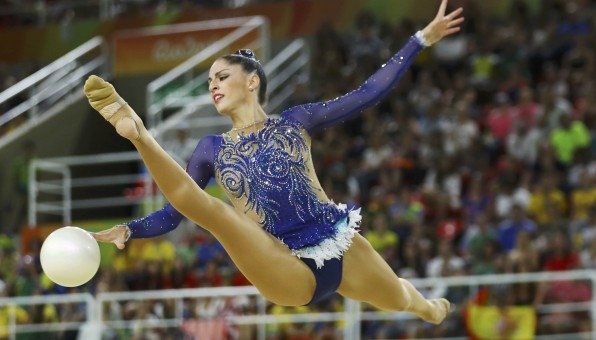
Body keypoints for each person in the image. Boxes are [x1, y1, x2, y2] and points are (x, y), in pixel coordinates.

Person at [89, 0, 463, 324]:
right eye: (208, 82)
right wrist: (131, 229)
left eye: (221, 77)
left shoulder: (297, 121)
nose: (212, 86)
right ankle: (138, 132)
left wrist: (421, 39)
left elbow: (368, 93)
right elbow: (176, 211)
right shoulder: (212, 148)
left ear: (252, 82)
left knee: (398, 298)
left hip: (338, 243)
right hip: (281, 261)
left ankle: (429, 308)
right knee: (218, 214)